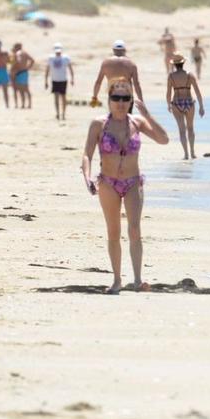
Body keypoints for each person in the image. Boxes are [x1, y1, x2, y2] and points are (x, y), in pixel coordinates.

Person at [81, 77, 169, 294]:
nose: (120, 102)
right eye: (116, 97)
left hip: (132, 182)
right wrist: (87, 177)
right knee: (113, 231)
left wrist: (147, 115)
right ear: (109, 99)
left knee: (135, 229)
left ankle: (138, 280)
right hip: (108, 183)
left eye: (125, 98)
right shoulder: (98, 124)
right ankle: (117, 280)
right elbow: (87, 154)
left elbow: (164, 139)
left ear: (130, 100)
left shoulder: (137, 123)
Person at [165, 53, 205, 161]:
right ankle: (192, 152)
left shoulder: (171, 76)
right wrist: (201, 106)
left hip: (176, 103)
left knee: (181, 130)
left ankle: (186, 154)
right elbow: (197, 91)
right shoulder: (189, 75)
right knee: (190, 128)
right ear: (183, 63)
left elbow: (168, 93)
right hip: (188, 102)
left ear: (174, 65)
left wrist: (168, 104)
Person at [92, 39, 143, 104]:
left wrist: (95, 97)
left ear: (113, 50)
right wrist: (141, 100)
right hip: (126, 95)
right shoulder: (131, 64)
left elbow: (98, 82)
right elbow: (136, 84)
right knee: (127, 114)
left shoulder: (106, 63)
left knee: (113, 114)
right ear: (125, 50)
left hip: (113, 95)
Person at [44, 43, 74, 121]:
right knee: (56, 98)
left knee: (63, 97)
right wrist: (46, 81)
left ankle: (63, 114)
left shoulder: (66, 58)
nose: (58, 53)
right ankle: (57, 113)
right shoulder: (51, 58)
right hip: (54, 80)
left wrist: (72, 78)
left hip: (63, 80)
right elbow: (47, 70)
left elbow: (70, 68)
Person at [11, 42, 35, 109]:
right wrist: (28, 67)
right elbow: (32, 60)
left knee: (22, 89)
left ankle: (24, 104)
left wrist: (14, 67)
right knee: (26, 89)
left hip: (20, 72)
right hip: (24, 72)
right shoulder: (25, 53)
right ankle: (29, 104)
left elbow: (18, 61)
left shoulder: (18, 53)